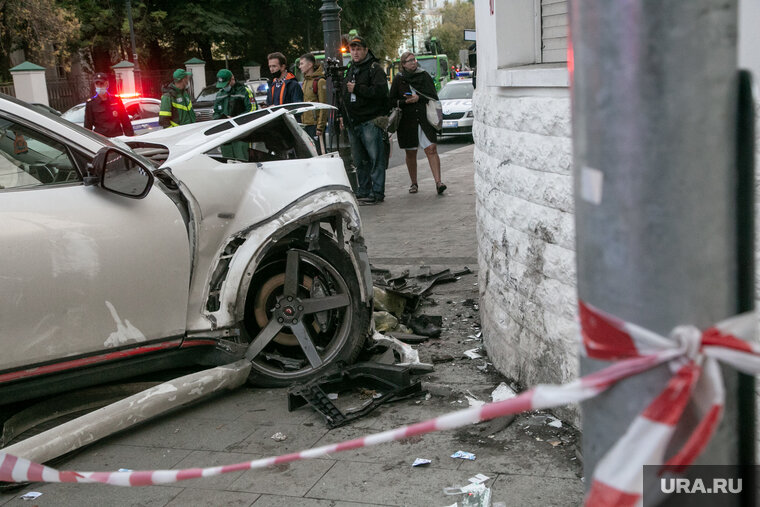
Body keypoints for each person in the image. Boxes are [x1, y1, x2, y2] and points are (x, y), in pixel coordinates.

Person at [389, 51, 446, 195]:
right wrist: (405, 101)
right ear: (403, 64)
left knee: (431, 148)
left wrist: (418, 98)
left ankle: (438, 182)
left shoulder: (423, 75)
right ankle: (414, 183)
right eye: (409, 61)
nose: (413, 62)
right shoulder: (398, 79)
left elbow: (432, 95)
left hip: (424, 118)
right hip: (407, 122)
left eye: (414, 60)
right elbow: (390, 101)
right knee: (411, 152)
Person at [342, 35, 389, 205]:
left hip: (369, 120)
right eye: (352, 49)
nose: (355, 52)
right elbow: (344, 93)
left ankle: (377, 192)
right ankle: (364, 190)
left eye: (358, 49)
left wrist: (358, 89)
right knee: (360, 160)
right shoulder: (351, 68)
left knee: (375, 158)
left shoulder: (374, 68)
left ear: (365, 50)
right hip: (353, 121)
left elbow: (381, 92)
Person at [213, 69, 255, 161]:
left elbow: (252, 110)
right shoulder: (219, 94)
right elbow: (215, 112)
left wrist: (235, 119)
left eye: (226, 84)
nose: (224, 87)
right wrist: (220, 118)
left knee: (242, 161)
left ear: (232, 79)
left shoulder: (244, 91)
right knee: (228, 162)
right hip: (225, 135)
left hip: (242, 134)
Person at [83, 73, 134, 137]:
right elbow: (88, 125)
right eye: (97, 84)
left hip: (117, 137)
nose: (99, 87)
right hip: (101, 139)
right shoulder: (91, 103)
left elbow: (125, 120)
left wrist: (129, 136)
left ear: (107, 84)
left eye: (101, 84)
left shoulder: (116, 100)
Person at [299, 53, 328, 153]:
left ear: (310, 64)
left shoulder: (320, 81)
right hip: (305, 124)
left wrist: (320, 127)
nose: (300, 66)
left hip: (315, 125)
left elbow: (323, 105)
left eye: (302, 63)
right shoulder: (305, 81)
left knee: (320, 152)